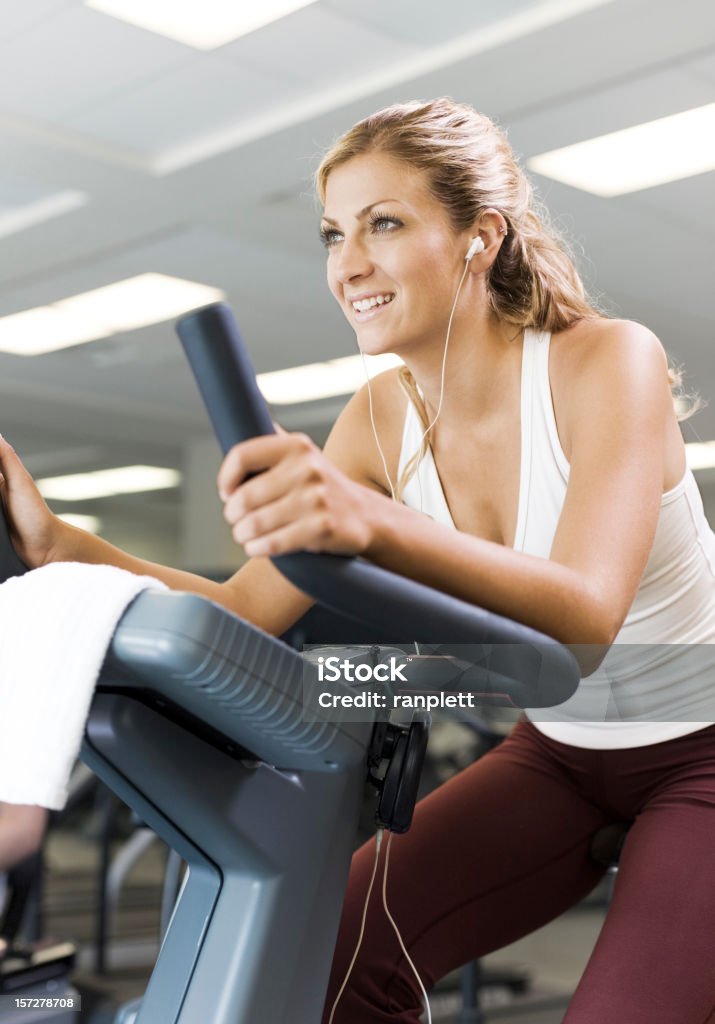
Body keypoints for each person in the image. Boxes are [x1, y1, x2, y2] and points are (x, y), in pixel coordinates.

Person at [0, 97, 714, 1023]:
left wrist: (367, 525)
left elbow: (581, 622)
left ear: (478, 238)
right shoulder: (376, 417)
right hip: (562, 753)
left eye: (385, 223)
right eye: (334, 233)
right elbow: (244, 611)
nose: (348, 263)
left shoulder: (603, 362)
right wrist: (58, 546)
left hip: (700, 751)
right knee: (318, 960)